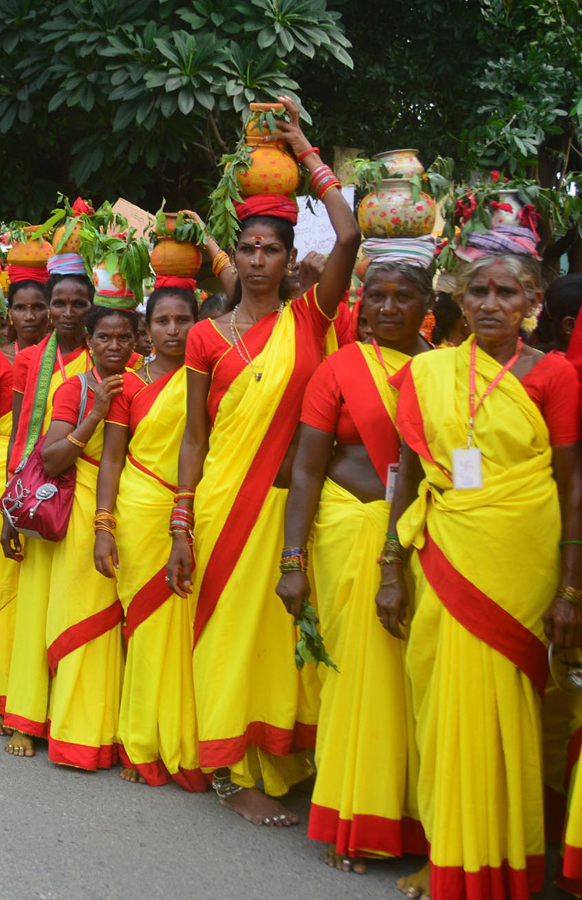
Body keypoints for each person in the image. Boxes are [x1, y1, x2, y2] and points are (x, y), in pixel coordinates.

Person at [165, 96, 360, 826]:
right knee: (227, 636)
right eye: (245, 247)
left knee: (284, 640)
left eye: (270, 249)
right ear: (235, 253)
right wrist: (182, 518)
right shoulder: (206, 339)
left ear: (287, 256)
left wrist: (308, 150)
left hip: (292, 510)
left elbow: (349, 236)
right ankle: (228, 771)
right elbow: (193, 436)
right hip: (220, 505)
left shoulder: (311, 318)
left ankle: (279, 756)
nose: (256, 260)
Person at [380, 229, 582, 900]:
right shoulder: (429, 372)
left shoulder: (553, 375)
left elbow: (571, 483)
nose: (492, 302)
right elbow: (406, 473)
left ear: (531, 302)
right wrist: (389, 563)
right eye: (479, 291)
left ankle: (505, 862)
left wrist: (570, 589)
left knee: (507, 713)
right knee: (440, 706)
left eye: (507, 292)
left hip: (518, 562)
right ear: (460, 302)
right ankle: (451, 860)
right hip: (442, 551)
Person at [275, 240, 436, 873]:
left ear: (429, 305)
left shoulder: (448, 371)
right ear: (361, 304)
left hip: (424, 540)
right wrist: (293, 562)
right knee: (356, 679)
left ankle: (418, 821)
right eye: (377, 295)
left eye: (404, 296)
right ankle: (352, 817)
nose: (389, 306)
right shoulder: (338, 369)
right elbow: (307, 471)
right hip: (346, 534)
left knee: (417, 682)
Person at [93, 285, 203, 787]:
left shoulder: (210, 377)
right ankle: (139, 742)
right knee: (144, 626)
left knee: (185, 626)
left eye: (184, 320)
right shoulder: (128, 384)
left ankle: (186, 737)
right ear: (147, 330)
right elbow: (112, 458)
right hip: (139, 511)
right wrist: (103, 525)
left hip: (194, 508)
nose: (174, 330)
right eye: (163, 321)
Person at [35, 298, 137, 770]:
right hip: (82, 512)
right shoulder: (73, 388)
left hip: (136, 510)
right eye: (104, 338)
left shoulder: (147, 383)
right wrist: (95, 413)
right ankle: (78, 734)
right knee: (86, 618)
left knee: (125, 622)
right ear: (89, 343)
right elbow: (52, 459)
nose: (114, 346)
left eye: (123, 338)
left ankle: (119, 733)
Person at [1, 257, 94, 758]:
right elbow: (21, 436)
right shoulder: (31, 358)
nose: (67, 311)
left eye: (79, 303)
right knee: (36, 608)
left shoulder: (109, 357)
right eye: (59, 302)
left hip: (90, 497)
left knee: (75, 606)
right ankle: (28, 716)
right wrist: (10, 508)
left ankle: (72, 716)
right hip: (42, 495)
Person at [0, 277, 50, 734]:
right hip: (5, 468)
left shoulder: (65, 359)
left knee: (40, 588)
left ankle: (32, 696)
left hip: (55, 473)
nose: (32, 317)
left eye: (40, 307)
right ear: (9, 316)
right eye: (22, 308)